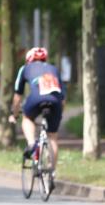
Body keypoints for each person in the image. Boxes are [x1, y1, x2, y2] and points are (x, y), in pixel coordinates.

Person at [9, 47, 65, 179]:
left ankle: (31, 143)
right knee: (52, 137)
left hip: (36, 99)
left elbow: (17, 97)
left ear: (29, 59)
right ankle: (51, 172)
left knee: (27, 118)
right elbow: (63, 99)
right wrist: (58, 115)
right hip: (56, 101)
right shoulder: (53, 69)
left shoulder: (25, 68)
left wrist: (15, 114)